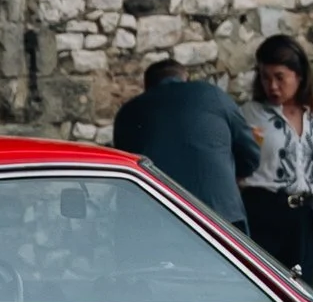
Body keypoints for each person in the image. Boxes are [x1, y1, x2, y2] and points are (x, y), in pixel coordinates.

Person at [239, 31, 313, 283]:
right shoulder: (250, 113)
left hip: (304, 216)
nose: (272, 86)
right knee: (262, 289)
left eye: (280, 78)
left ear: (299, 76)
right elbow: (238, 171)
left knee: (301, 292)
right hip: (261, 212)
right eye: (265, 77)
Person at [110, 54, 262, 233]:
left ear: (147, 87)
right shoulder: (213, 95)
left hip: (156, 224)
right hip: (219, 218)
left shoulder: (128, 113)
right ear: (186, 79)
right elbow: (251, 157)